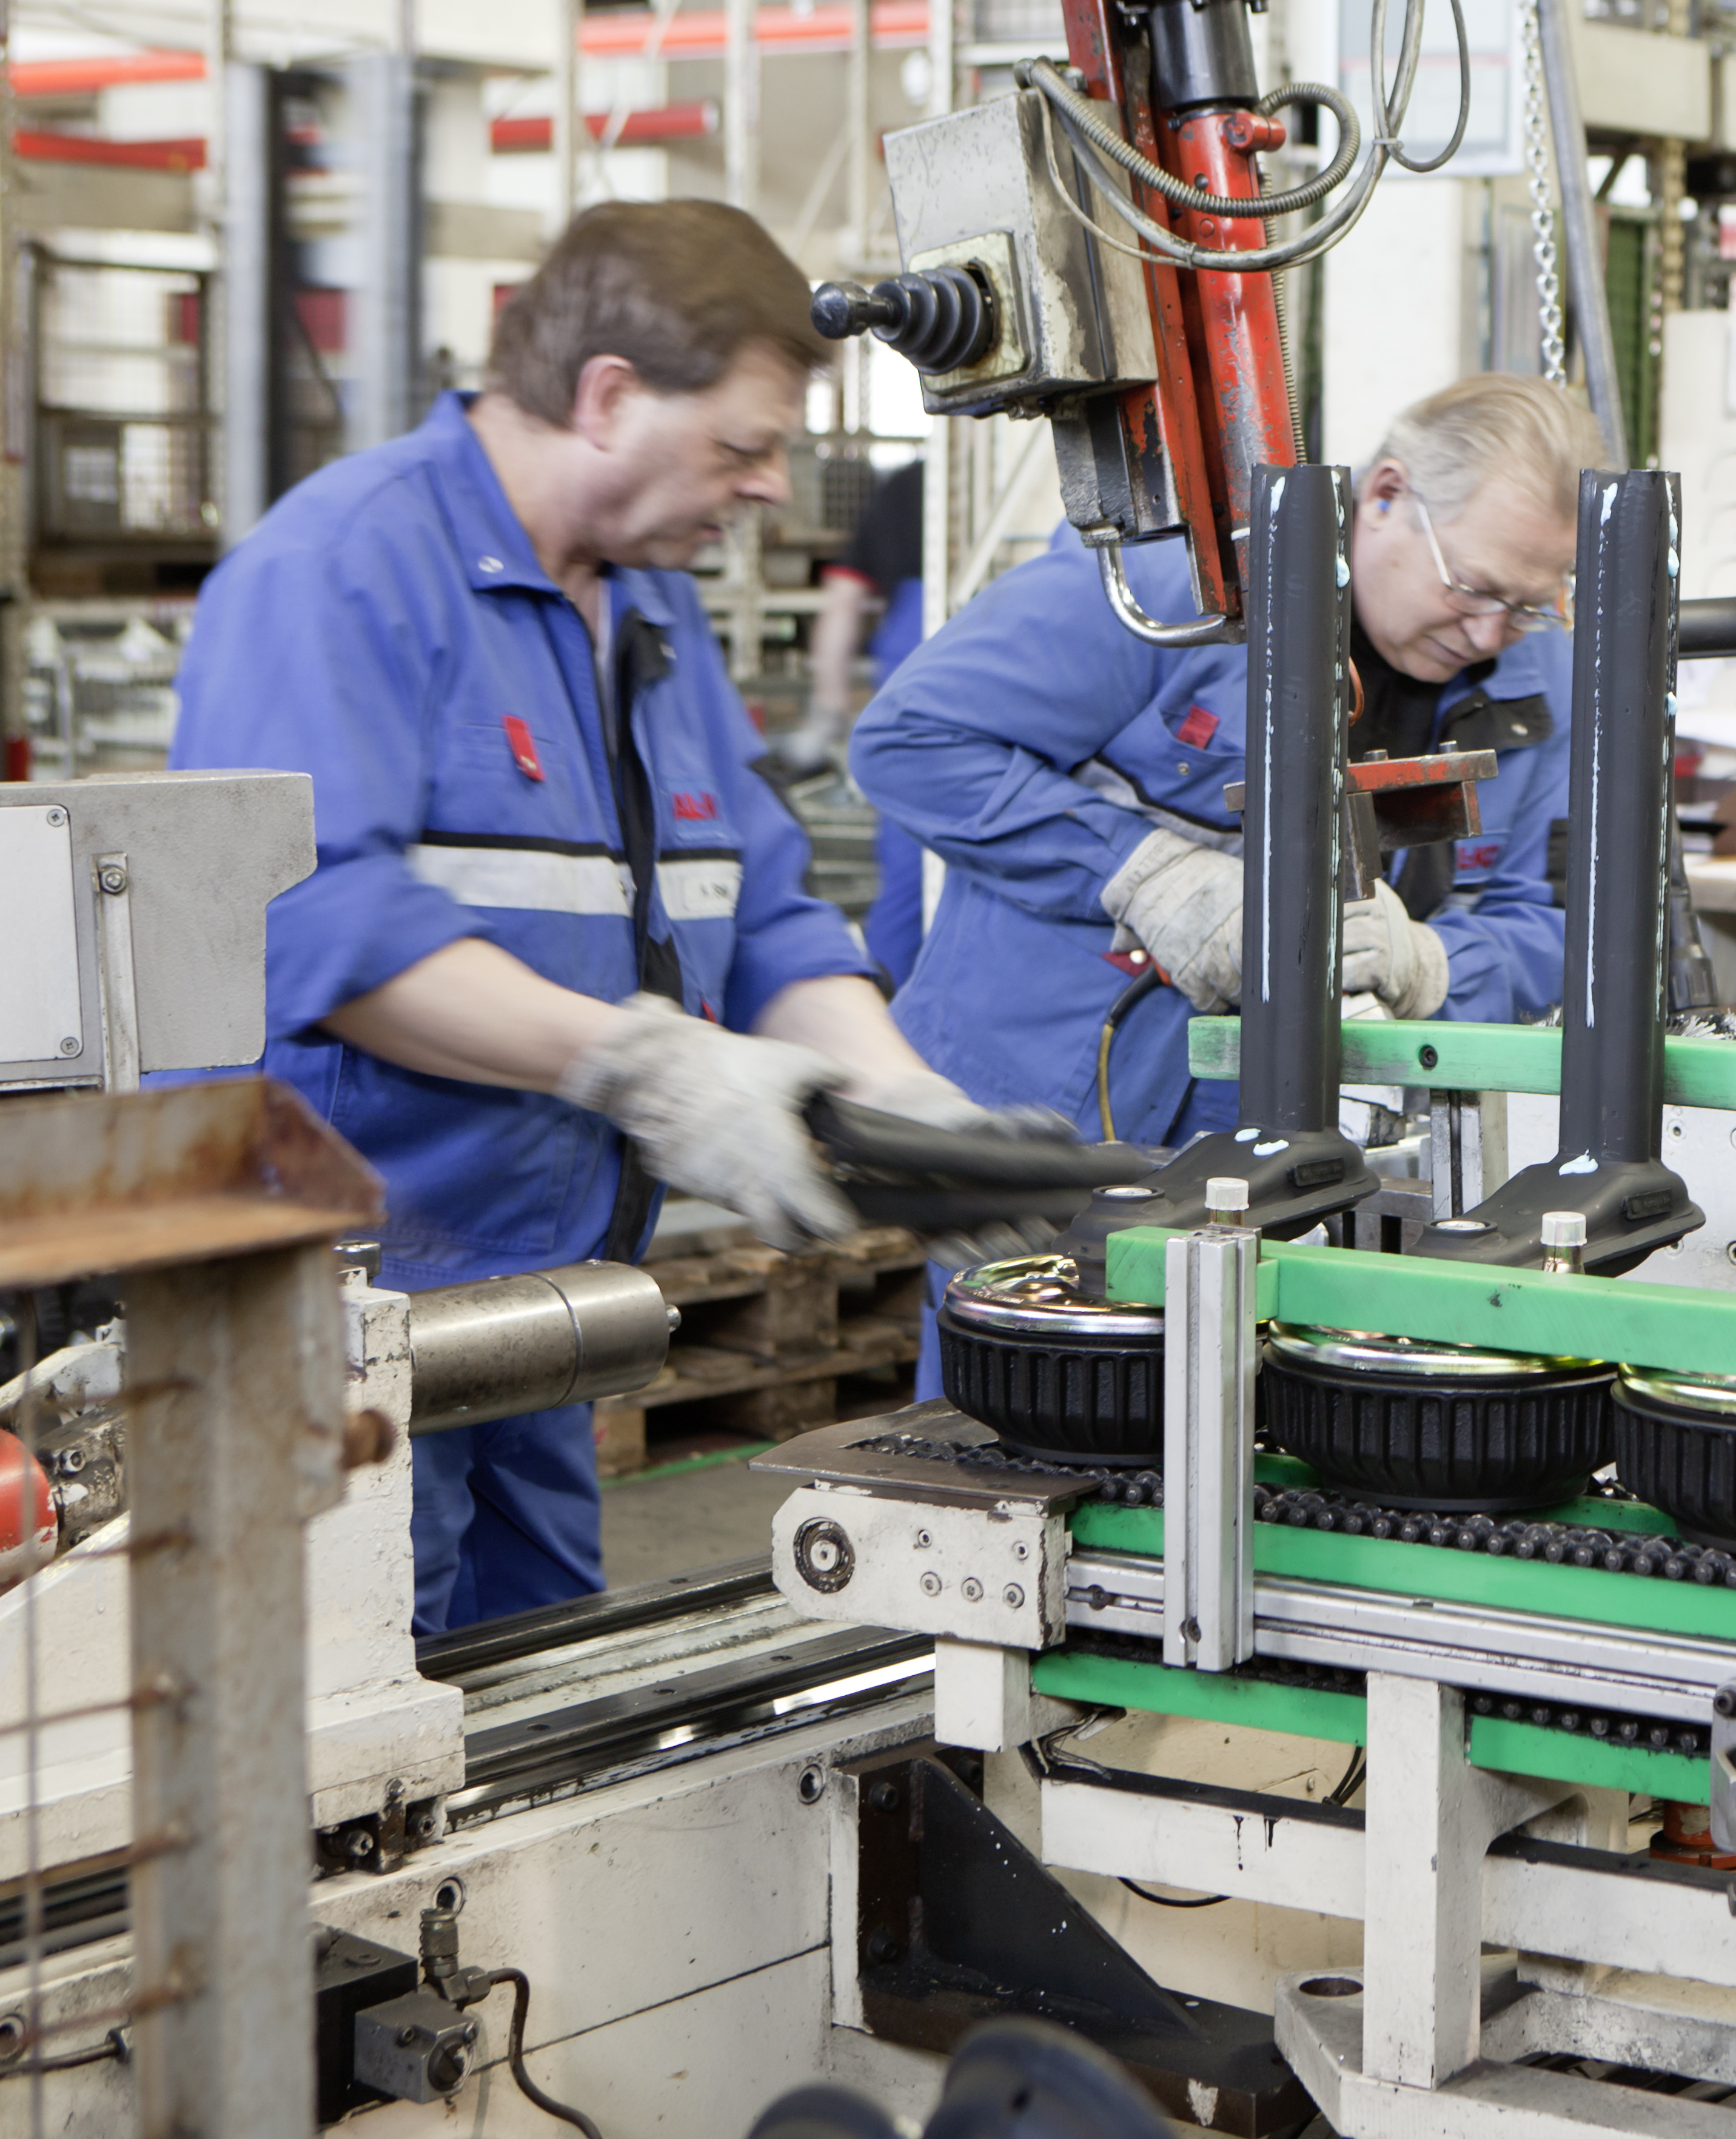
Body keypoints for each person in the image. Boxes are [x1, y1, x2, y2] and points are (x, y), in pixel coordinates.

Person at [167, 202, 1054, 1635]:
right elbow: (314, 921)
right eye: (743, 445)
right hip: (340, 1321)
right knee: (358, 1722)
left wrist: (905, 1102)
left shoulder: (646, 602)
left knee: (541, 1693)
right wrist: (647, 1069)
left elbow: (758, 902)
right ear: (608, 396)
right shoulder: (342, 569)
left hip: (544, 1308)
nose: (770, 488)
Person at [850, 374, 1598, 1152]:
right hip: (1025, 1111)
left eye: (1529, 606)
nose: (1489, 634)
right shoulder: (1170, 587)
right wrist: (1142, 873)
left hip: (1306, 1143)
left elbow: (1564, 927)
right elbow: (911, 740)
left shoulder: (1542, 686)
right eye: (1473, 589)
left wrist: (1436, 964)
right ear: (1385, 495)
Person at [783, 459, 935, 986]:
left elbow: (842, 599)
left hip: (912, 671)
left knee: (909, 862)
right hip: (948, 659)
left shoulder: (909, 481)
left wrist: (826, 712)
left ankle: (890, 1003)